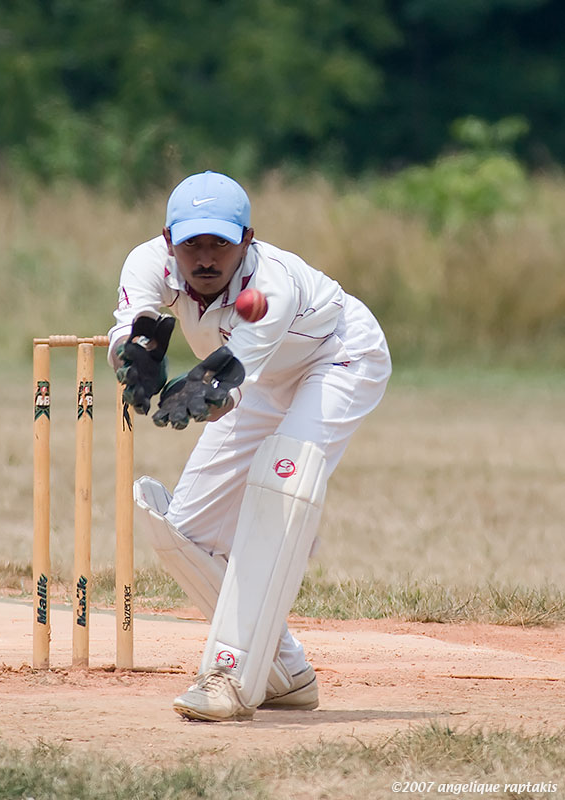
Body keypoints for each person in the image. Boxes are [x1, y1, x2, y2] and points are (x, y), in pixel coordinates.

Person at [108, 170, 391, 722]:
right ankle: (286, 674)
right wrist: (133, 354)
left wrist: (201, 391)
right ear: (169, 241)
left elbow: (226, 387)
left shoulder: (273, 285)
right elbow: (133, 329)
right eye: (193, 243)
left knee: (278, 496)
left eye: (221, 242)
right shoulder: (146, 263)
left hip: (338, 359)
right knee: (184, 531)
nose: (207, 257)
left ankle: (232, 677)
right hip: (262, 378)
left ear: (248, 239)